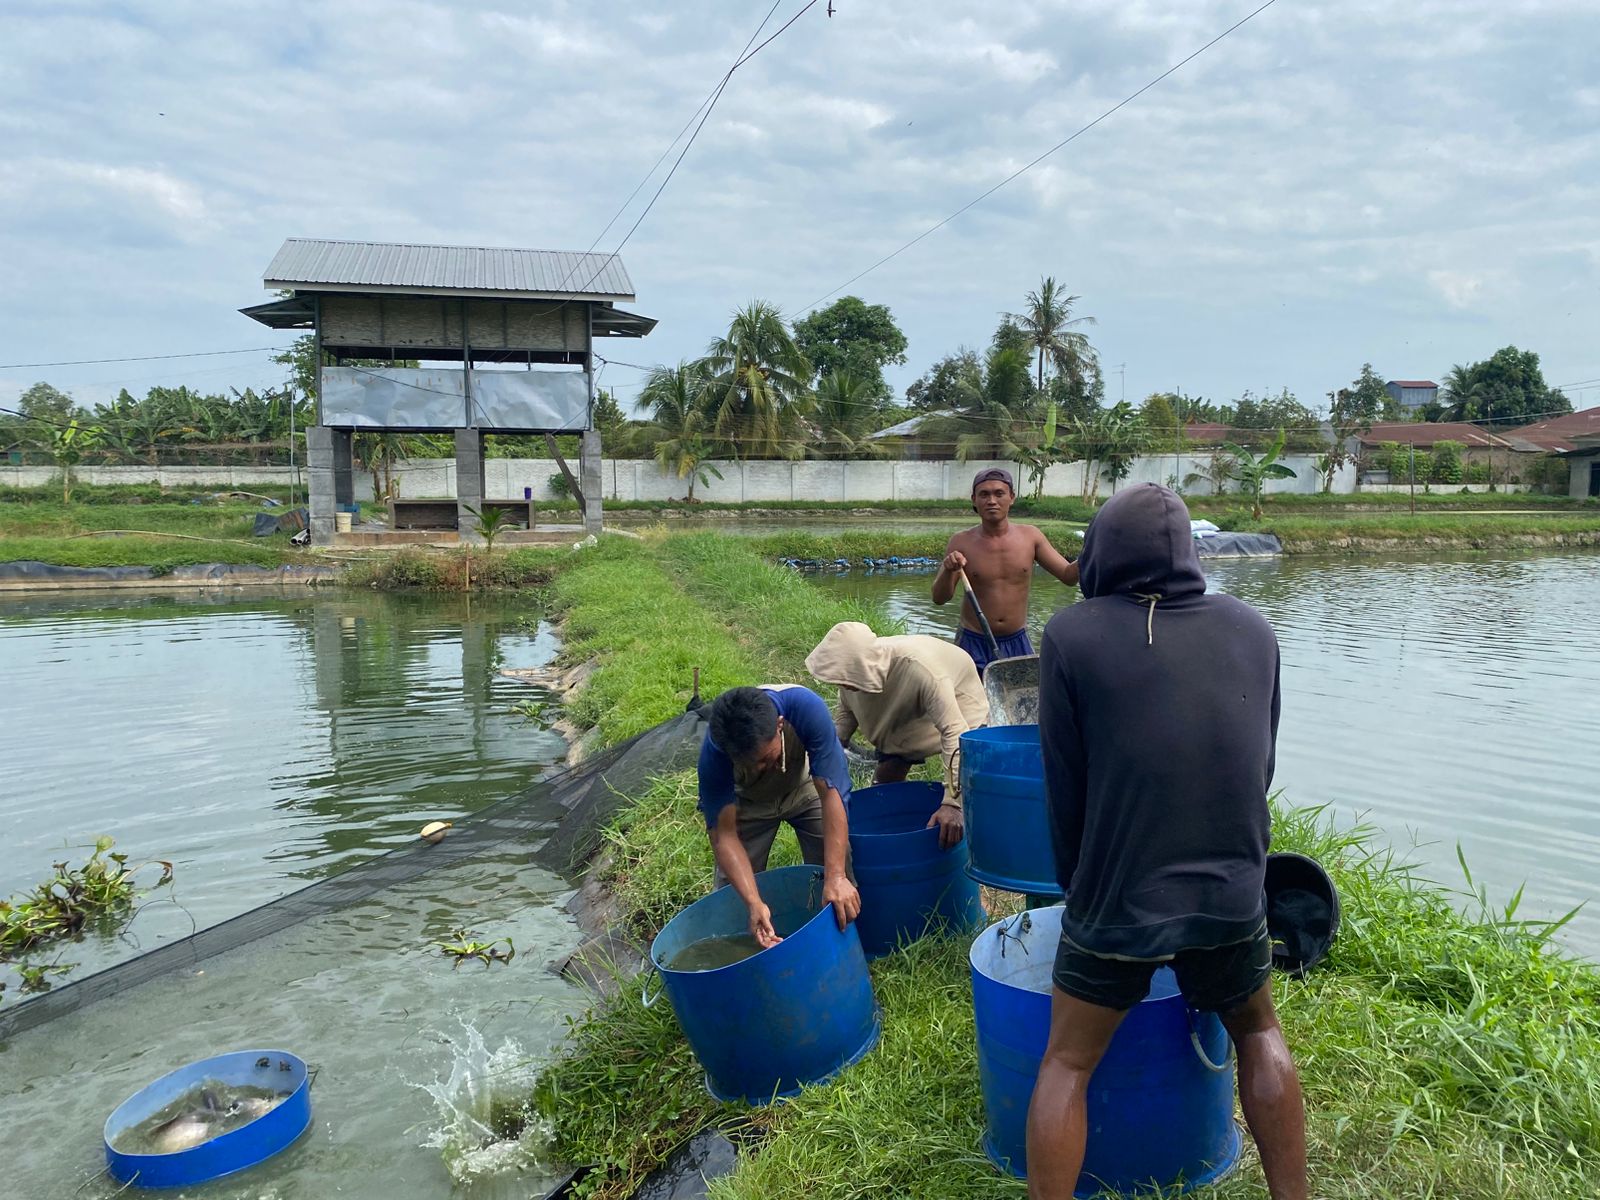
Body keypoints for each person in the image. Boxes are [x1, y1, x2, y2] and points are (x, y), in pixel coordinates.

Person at [1026, 483, 1307, 1200]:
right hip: (1233, 892)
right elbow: (1258, 768)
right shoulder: (1254, 629)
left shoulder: (1072, 635)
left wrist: (1077, 897)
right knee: (1257, 1029)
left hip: (1119, 898)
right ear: (1188, 552)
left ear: (1103, 554)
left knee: (1066, 1062)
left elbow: (1067, 787)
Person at [698, 684, 861, 948]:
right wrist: (753, 902)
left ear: (780, 725)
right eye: (749, 764)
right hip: (747, 803)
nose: (760, 768)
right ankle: (751, 954)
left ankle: (842, 943)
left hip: (802, 786)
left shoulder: (805, 707)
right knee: (733, 895)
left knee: (836, 859)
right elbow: (724, 836)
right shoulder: (715, 753)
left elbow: (832, 793)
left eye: (764, 758)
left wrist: (836, 877)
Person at [804, 621, 988, 849]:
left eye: (844, 679)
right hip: (903, 713)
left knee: (975, 787)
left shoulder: (923, 671)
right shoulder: (854, 672)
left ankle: (980, 843)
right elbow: (846, 712)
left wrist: (952, 803)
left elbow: (954, 731)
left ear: (861, 666)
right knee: (883, 787)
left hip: (959, 704)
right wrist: (830, 749)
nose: (842, 684)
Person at [931, 467, 1079, 675]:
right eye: (984, 494)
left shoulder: (1031, 537)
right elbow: (939, 598)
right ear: (974, 500)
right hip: (973, 641)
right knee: (973, 705)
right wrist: (948, 569)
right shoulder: (961, 541)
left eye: (999, 493)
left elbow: (1068, 576)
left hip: (1017, 640)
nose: (992, 500)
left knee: (1020, 703)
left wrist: (1095, 551)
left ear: (1012, 497)